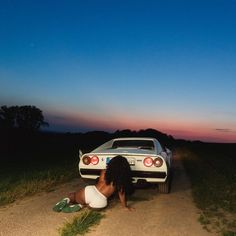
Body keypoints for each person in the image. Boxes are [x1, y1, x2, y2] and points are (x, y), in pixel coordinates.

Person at [53, 155, 135, 213]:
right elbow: (122, 194)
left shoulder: (104, 171)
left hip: (90, 191)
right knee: (94, 205)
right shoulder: (120, 181)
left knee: (73, 195)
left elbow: (101, 183)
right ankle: (83, 206)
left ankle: (68, 200)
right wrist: (125, 207)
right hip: (100, 201)